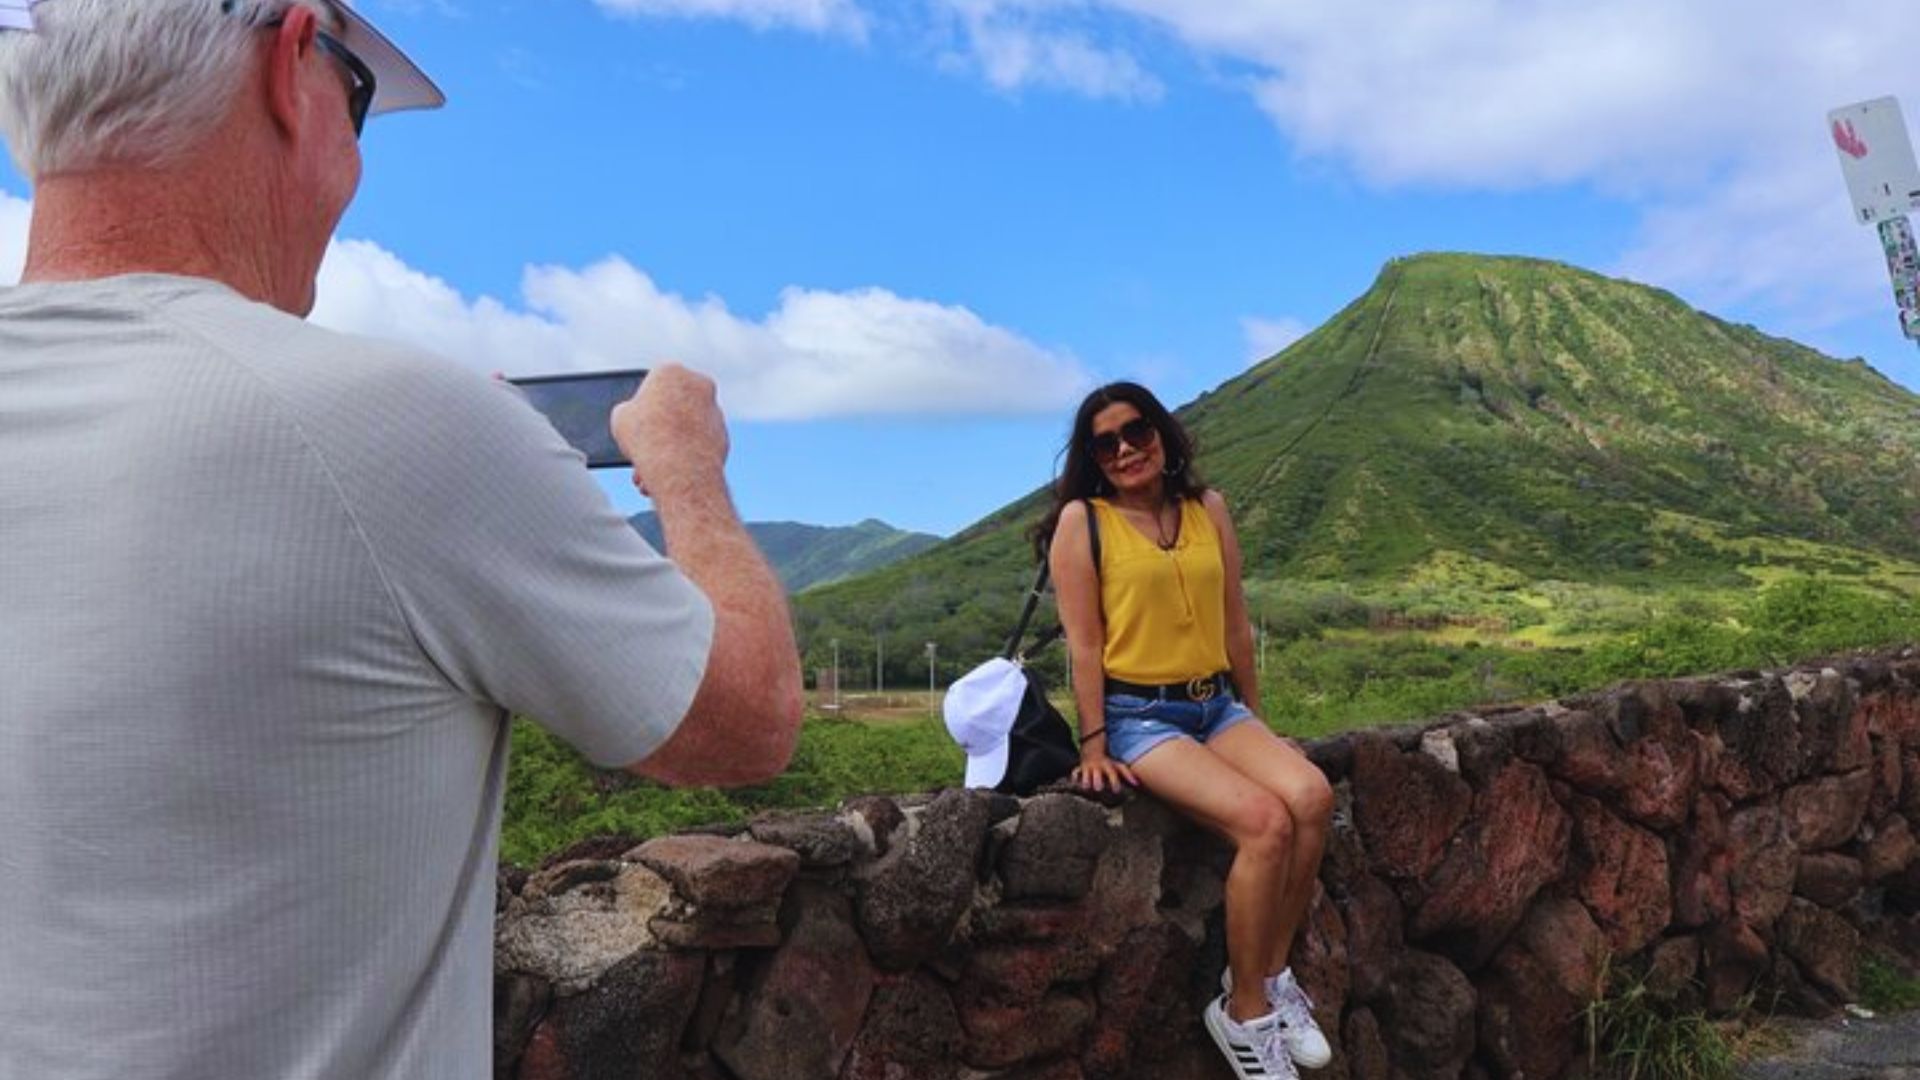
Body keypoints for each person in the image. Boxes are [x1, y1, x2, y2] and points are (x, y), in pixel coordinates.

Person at [0, 1, 801, 1076]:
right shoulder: (393, 425)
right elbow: (743, 721)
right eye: (359, 97)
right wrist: (687, 476)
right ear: (291, 62)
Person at [1037, 382, 1336, 1080]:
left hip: (1216, 705)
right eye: (1104, 443)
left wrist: (1259, 725)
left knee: (1312, 796)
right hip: (1139, 715)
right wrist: (1093, 745)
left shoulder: (1209, 510)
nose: (1124, 449)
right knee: (1265, 823)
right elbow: (1084, 644)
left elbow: (1235, 622)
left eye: (1135, 430)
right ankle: (1245, 1012)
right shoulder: (1084, 521)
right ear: (1092, 458)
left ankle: (1275, 976)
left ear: (1164, 434)